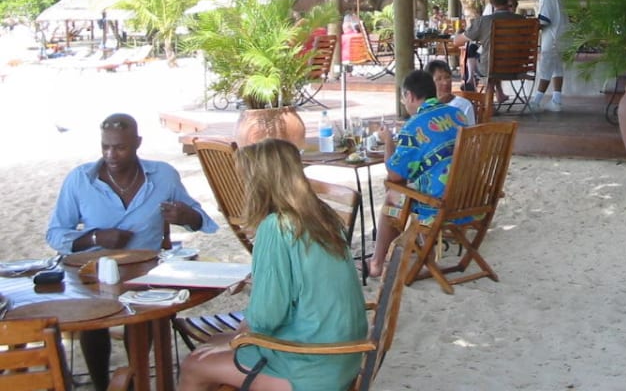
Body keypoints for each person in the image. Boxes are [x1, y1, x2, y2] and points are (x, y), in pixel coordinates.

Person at [178, 139, 368, 391]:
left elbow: (268, 315)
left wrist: (239, 338)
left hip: (312, 363)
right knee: (215, 342)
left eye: (244, 178)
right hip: (344, 353)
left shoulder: (276, 227)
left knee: (194, 364)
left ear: (259, 182)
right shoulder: (323, 216)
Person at [46, 113, 218, 391]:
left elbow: (202, 222)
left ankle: (136, 379)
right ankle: (103, 385)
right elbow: (55, 234)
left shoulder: (163, 175)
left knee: (143, 317)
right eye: (105, 146)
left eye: (120, 147)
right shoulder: (80, 179)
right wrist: (94, 237)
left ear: (137, 143)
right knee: (92, 315)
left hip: (149, 273)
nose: (111, 155)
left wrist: (187, 215)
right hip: (94, 273)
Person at [368, 70, 468, 277]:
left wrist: (388, 140)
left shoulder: (413, 126)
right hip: (468, 199)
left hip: (441, 205)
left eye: (404, 97)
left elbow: (395, 176)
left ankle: (376, 263)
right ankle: (424, 256)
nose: (405, 102)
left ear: (411, 96)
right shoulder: (457, 115)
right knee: (413, 187)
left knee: (394, 195)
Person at [452, 0, 521, 101]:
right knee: (494, 58)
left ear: (491, 1)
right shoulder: (522, 20)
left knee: (489, 62)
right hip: (517, 67)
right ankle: (499, 94)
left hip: (491, 68)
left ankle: (489, 105)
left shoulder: (484, 22)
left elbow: (457, 42)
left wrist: (458, 33)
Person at [528, 0, 568, 113]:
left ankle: (536, 102)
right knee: (557, 68)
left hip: (551, 37)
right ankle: (556, 100)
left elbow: (544, 20)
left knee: (545, 69)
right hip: (562, 35)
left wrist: (530, 26)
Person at [427, 59, 476, 125]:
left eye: (447, 77)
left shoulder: (464, 105)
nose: (445, 82)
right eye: (439, 79)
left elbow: (470, 133)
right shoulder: (425, 107)